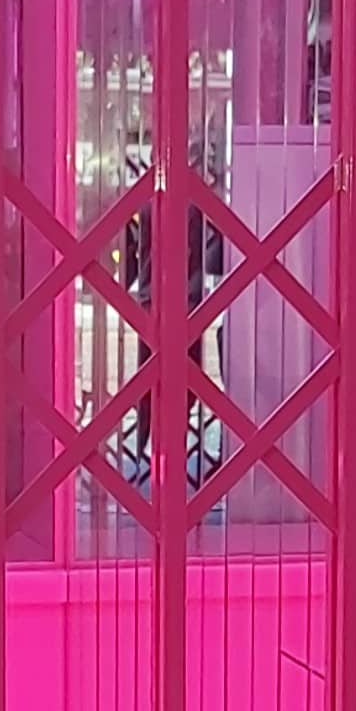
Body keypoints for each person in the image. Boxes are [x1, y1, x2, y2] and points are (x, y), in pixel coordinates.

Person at [121, 142, 225, 482]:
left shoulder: (146, 203)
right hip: (186, 302)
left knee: (151, 379)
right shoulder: (195, 204)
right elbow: (210, 254)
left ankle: (147, 448)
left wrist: (126, 282)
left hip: (152, 299)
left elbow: (132, 251)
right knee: (185, 380)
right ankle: (173, 449)